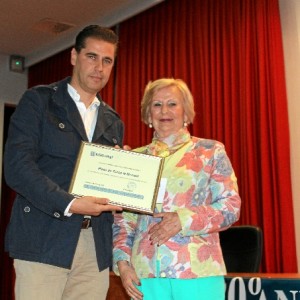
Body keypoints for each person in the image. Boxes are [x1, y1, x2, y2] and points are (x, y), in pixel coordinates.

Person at [4, 25, 124, 300]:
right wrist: (70, 203)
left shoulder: (113, 121)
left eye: (107, 60)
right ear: (73, 56)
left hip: (94, 247)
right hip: (43, 238)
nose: (99, 67)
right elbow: (17, 167)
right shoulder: (39, 100)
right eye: (92, 56)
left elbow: (109, 185)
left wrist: (123, 175)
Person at [112, 78, 241, 300]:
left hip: (198, 272)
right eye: (157, 104)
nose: (164, 111)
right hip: (145, 275)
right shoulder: (134, 158)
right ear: (147, 114)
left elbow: (230, 207)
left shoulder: (210, 151)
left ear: (186, 112)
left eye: (172, 104)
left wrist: (182, 219)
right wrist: (122, 264)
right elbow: (124, 220)